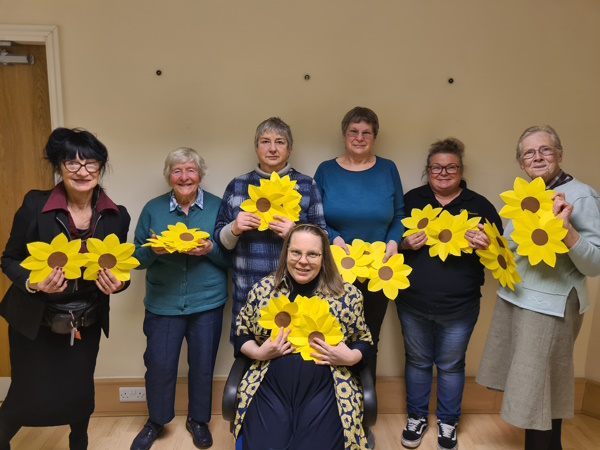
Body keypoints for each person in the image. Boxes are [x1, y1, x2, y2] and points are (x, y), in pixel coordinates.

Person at [0, 128, 130, 450]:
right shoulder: (35, 205)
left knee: (79, 393)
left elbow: (120, 269)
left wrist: (119, 284)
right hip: (35, 323)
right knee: (24, 395)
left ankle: (79, 442)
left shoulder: (116, 215)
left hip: (85, 324)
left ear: (101, 166)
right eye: (72, 163)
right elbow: (9, 259)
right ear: (59, 167)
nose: (82, 171)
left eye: (91, 163)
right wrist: (32, 283)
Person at [476, 126, 600, 450]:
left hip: (550, 309)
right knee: (538, 393)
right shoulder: (525, 196)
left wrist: (568, 231)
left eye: (545, 150)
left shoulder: (581, 195)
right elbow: (516, 252)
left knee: (539, 394)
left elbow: (595, 264)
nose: (538, 157)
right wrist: (490, 244)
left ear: (559, 154)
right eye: (529, 153)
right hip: (516, 300)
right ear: (521, 164)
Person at [397, 138, 502, 450]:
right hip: (412, 302)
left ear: (461, 170)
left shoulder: (480, 205)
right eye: (436, 167)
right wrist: (405, 244)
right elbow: (389, 245)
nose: (443, 172)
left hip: (461, 305)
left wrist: (487, 245)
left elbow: (502, 255)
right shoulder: (410, 201)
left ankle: (447, 422)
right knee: (416, 361)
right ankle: (416, 417)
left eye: (450, 167)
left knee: (452, 364)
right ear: (428, 170)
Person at [233, 224, 372, 450]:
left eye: (312, 254)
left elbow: (363, 340)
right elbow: (242, 332)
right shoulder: (263, 290)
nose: (303, 261)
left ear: (324, 257)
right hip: (270, 389)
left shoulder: (348, 295)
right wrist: (258, 352)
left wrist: (351, 357)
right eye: (296, 252)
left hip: (327, 390)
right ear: (286, 252)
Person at [130, 148, 231, 450]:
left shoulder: (219, 206)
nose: (184, 177)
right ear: (168, 176)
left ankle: (198, 420)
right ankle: (157, 420)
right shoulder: (152, 209)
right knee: (159, 365)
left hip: (208, 301)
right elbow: (135, 258)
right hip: (163, 302)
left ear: (200, 174)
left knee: (202, 365)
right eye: (177, 171)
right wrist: (153, 251)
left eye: (190, 170)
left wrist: (209, 249)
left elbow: (230, 258)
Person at [313, 106, 405, 384]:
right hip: (335, 269)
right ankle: (331, 404)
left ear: (374, 137)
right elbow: (313, 217)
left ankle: (365, 406)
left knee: (368, 337)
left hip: (378, 271)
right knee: (331, 333)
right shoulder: (326, 170)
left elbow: (400, 214)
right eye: (354, 131)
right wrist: (333, 237)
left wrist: (393, 240)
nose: (359, 137)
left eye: (366, 132)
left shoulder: (388, 169)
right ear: (344, 135)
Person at [214, 117, 326, 340]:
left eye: (280, 142)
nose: (272, 148)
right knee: (248, 351)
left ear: (290, 148)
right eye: (265, 141)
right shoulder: (237, 185)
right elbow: (220, 239)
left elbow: (324, 238)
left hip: (296, 291)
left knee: (294, 356)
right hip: (247, 288)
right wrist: (234, 228)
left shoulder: (306, 184)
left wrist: (295, 233)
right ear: (256, 147)